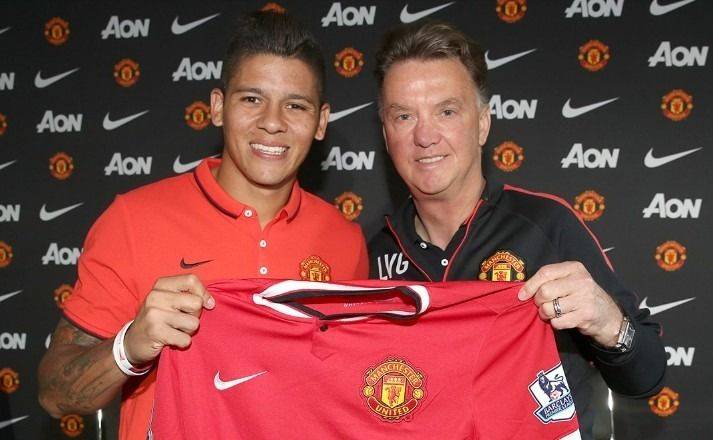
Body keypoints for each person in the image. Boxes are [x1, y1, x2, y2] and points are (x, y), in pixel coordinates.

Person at [38, 11, 368, 440]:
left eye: (295, 105)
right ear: (217, 107)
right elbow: (55, 395)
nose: (272, 122)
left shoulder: (345, 240)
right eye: (252, 99)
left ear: (320, 121)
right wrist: (130, 346)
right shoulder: (133, 220)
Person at [368, 21, 666, 439]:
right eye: (403, 116)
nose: (425, 135)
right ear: (386, 134)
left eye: (447, 111)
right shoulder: (369, 254)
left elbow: (647, 375)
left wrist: (608, 322)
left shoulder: (545, 225)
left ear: (483, 124)